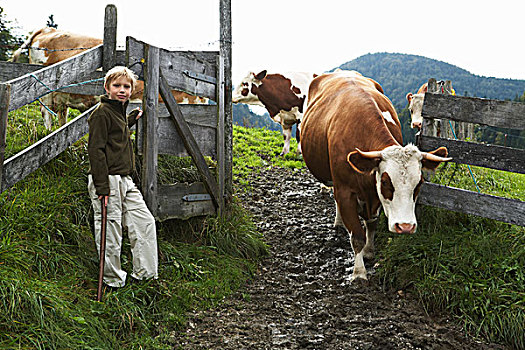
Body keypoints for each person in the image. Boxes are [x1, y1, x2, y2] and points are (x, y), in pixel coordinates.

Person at [87, 66, 158, 288]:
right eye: (117, 86)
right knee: (110, 230)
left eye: (126, 87)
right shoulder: (101, 113)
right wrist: (102, 187)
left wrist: (129, 121)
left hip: (125, 180)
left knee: (144, 222)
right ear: (107, 88)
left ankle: (145, 276)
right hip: (107, 179)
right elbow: (96, 150)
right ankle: (112, 281)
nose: (122, 90)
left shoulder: (117, 113)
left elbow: (115, 136)